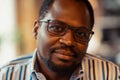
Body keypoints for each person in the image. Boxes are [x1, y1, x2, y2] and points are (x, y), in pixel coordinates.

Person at [0, 0, 120, 80]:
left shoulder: (110, 75)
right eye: (56, 28)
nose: (68, 41)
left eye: (81, 33)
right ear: (36, 30)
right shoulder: (7, 75)